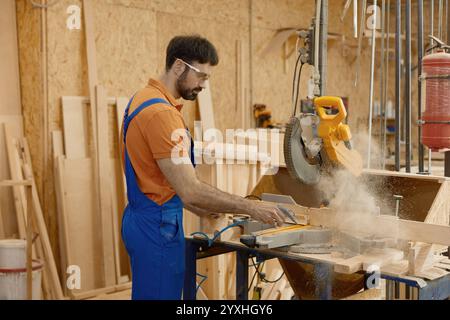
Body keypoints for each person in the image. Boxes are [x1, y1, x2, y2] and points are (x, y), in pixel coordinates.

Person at [120, 35, 285, 300]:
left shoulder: (142, 98)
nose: (203, 86)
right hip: (157, 230)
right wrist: (252, 207)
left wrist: (204, 210)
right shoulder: (162, 115)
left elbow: (163, 180)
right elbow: (190, 190)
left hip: (143, 220)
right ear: (178, 66)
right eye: (201, 77)